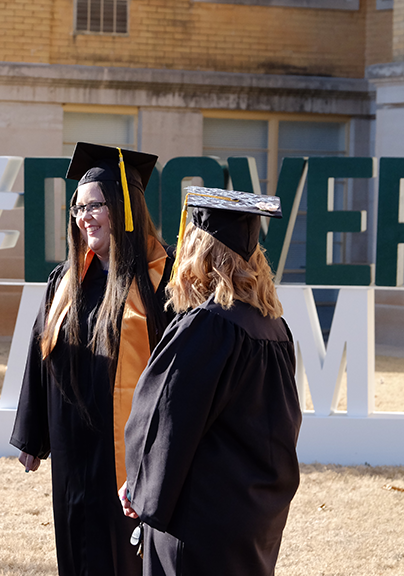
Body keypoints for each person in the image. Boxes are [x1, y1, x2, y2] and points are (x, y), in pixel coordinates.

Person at [10, 142, 175, 576]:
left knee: (121, 552)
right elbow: (39, 349)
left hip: (127, 448)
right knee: (76, 545)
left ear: (124, 208)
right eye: (78, 207)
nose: (84, 217)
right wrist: (33, 434)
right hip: (72, 447)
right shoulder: (66, 280)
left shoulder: (164, 280)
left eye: (95, 205)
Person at [120, 186, 302, 576]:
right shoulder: (274, 329)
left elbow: (165, 418)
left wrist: (140, 485)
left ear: (199, 251)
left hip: (200, 520)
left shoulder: (208, 325)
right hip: (253, 519)